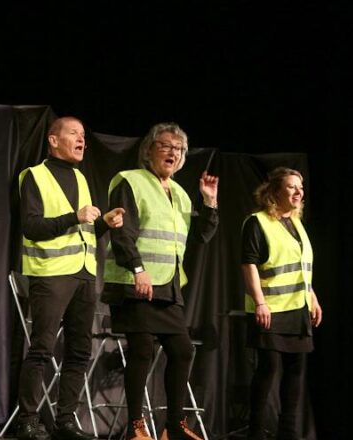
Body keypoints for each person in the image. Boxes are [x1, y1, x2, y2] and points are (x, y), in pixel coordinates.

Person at [102, 123, 218, 440]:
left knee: (182, 351)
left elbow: (200, 237)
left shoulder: (179, 193)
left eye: (178, 149)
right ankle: (135, 427)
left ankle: (174, 426)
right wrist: (138, 269)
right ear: (149, 149)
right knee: (142, 351)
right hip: (133, 280)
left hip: (167, 286)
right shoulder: (130, 181)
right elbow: (122, 231)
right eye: (165, 146)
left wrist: (209, 203)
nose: (172, 153)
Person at [16, 116, 124, 440]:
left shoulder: (80, 177)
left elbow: (84, 230)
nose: (81, 140)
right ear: (53, 139)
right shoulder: (33, 175)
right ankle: (28, 421)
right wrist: (74, 216)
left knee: (79, 352)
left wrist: (104, 222)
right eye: (73, 134)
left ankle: (64, 422)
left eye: (83, 136)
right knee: (42, 349)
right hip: (51, 275)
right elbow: (32, 227)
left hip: (84, 274)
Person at [241, 167, 322, 440]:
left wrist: (312, 296)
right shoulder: (257, 222)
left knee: (296, 371)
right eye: (291, 187)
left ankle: (288, 433)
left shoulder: (297, 223)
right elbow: (248, 264)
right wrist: (260, 302)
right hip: (271, 310)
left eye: (300, 187)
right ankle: (255, 432)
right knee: (269, 368)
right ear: (274, 192)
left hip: (298, 308)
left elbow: (301, 267)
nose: (299, 192)